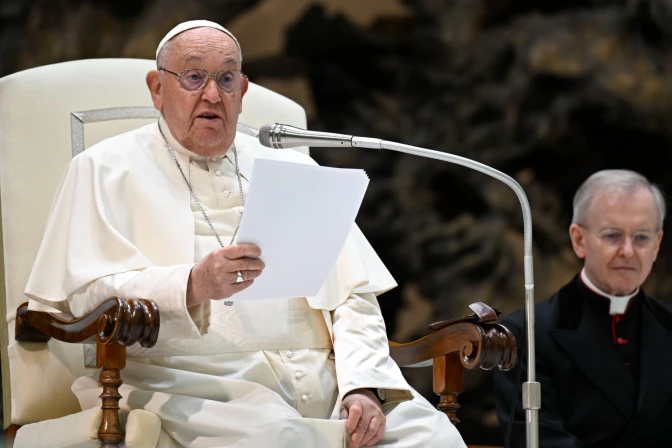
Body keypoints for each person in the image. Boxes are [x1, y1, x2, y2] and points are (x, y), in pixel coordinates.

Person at [21, 20, 465, 448]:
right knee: (281, 438)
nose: (212, 94)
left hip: (325, 383)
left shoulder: (294, 167)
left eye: (226, 79)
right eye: (193, 77)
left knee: (436, 437)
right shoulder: (104, 169)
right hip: (192, 383)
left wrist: (363, 386)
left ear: (243, 90)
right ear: (157, 88)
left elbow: (353, 295)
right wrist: (193, 284)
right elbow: (86, 297)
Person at [493, 169, 672, 448]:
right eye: (613, 236)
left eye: (641, 238)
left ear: (657, 244)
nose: (628, 251)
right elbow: (539, 439)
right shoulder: (526, 335)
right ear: (579, 240)